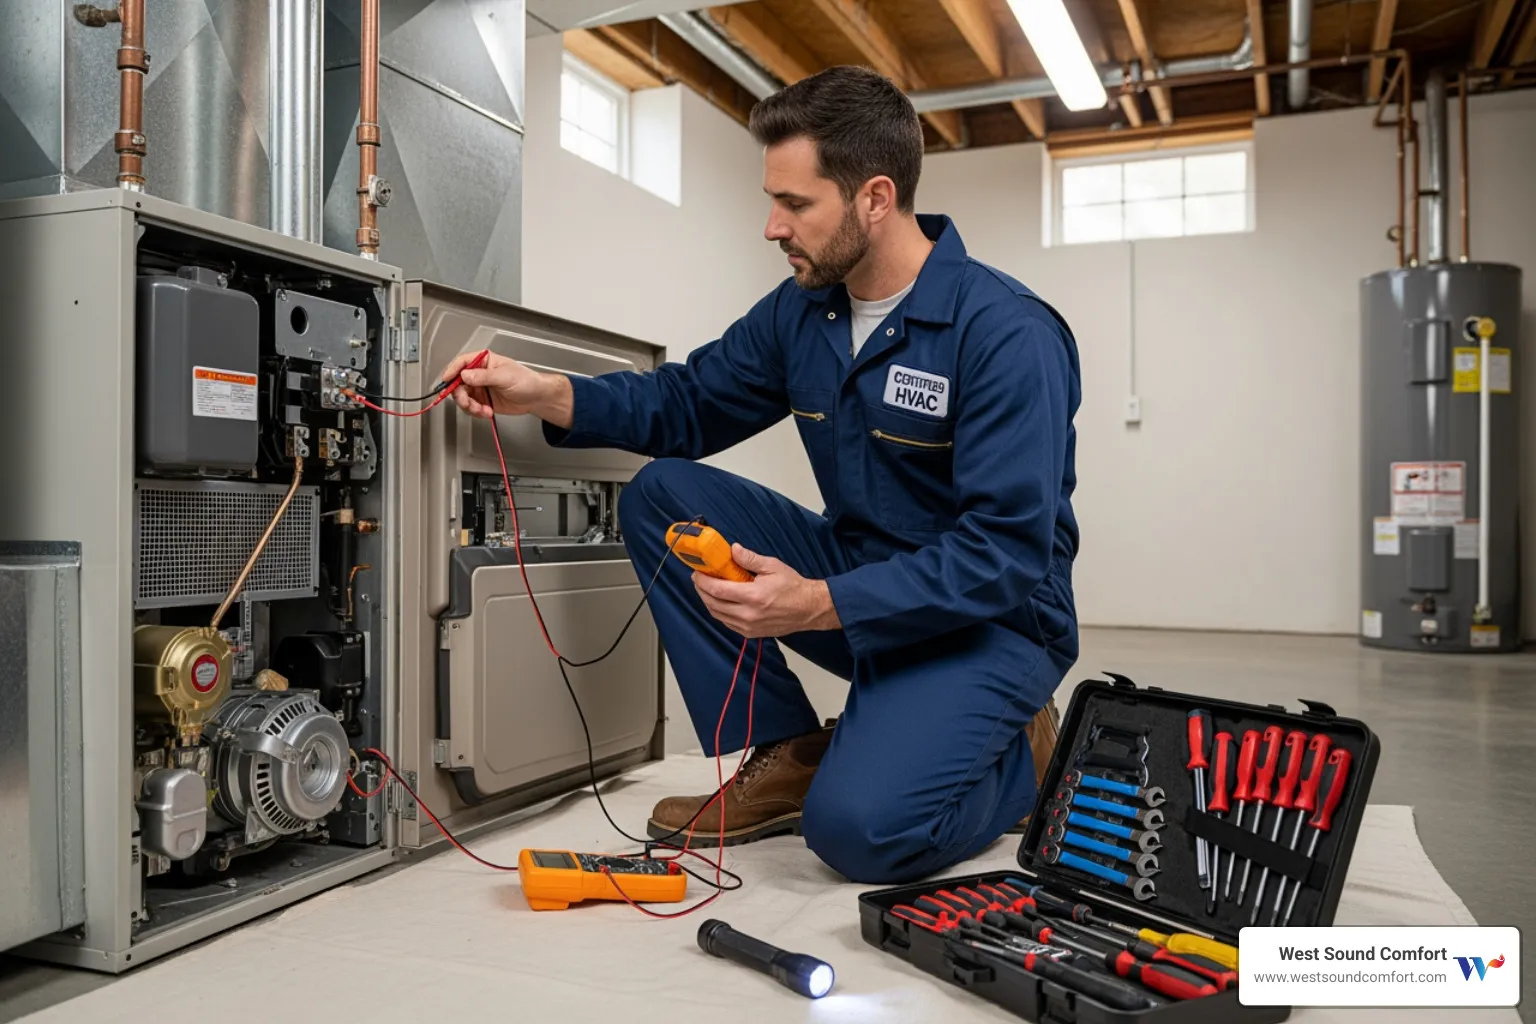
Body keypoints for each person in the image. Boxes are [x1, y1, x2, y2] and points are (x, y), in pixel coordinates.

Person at [441, 65, 1081, 886]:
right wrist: (548, 392)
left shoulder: (1005, 333)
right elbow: (687, 403)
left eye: (795, 203)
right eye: (772, 200)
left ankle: (1024, 757)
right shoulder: (803, 311)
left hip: (990, 623)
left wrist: (818, 602)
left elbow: (1003, 554)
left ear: (875, 198)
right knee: (665, 496)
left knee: (860, 833)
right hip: (859, 580)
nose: (772, 227)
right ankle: (787, 750)